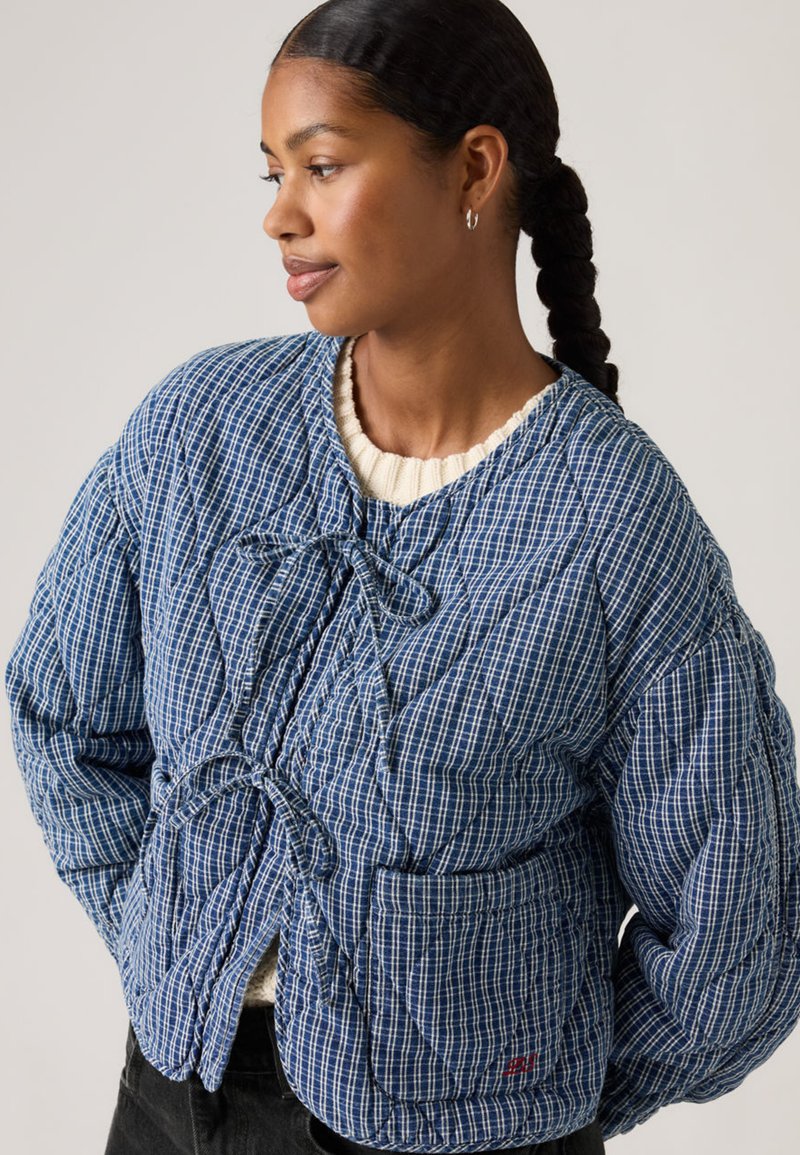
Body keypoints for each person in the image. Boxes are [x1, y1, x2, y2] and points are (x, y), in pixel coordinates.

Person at [5, 0, 800, 1152]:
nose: (280, 216)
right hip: (173, 1104)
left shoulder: (611, 527)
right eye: (272, 172)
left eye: (322, 166)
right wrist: (167, 941)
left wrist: (532, 1096)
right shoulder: (200, 433)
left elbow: (738, 928)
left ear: (474, 168)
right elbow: (61, 712)